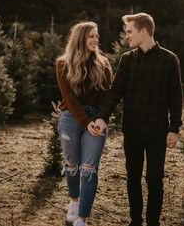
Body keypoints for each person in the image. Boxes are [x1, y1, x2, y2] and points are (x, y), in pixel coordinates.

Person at [89, 13, 183, 226]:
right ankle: (135, 221)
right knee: (132, 177)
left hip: (157, 132)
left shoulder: (169, 60)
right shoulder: (127, 59)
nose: (127, 36)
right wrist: (102, 117)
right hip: (132, 131)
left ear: (144, 31)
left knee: (153, 179)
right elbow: (115, 91)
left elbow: (176, 98)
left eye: (130, 31)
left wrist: (174, 129)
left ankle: (153, 223)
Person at [56, 21, 112, 226]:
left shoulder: (104, 63)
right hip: (71, 118)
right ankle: (74, 201)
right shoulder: (63, 63)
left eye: (97, 36)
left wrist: (101, 119)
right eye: (92, 36)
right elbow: (69, 99)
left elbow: (107, 96)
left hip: (96, 121)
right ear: (80, 38)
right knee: (72, 165)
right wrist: (85, 121)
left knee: (89, 169)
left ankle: (82, 217)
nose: (96, 40)